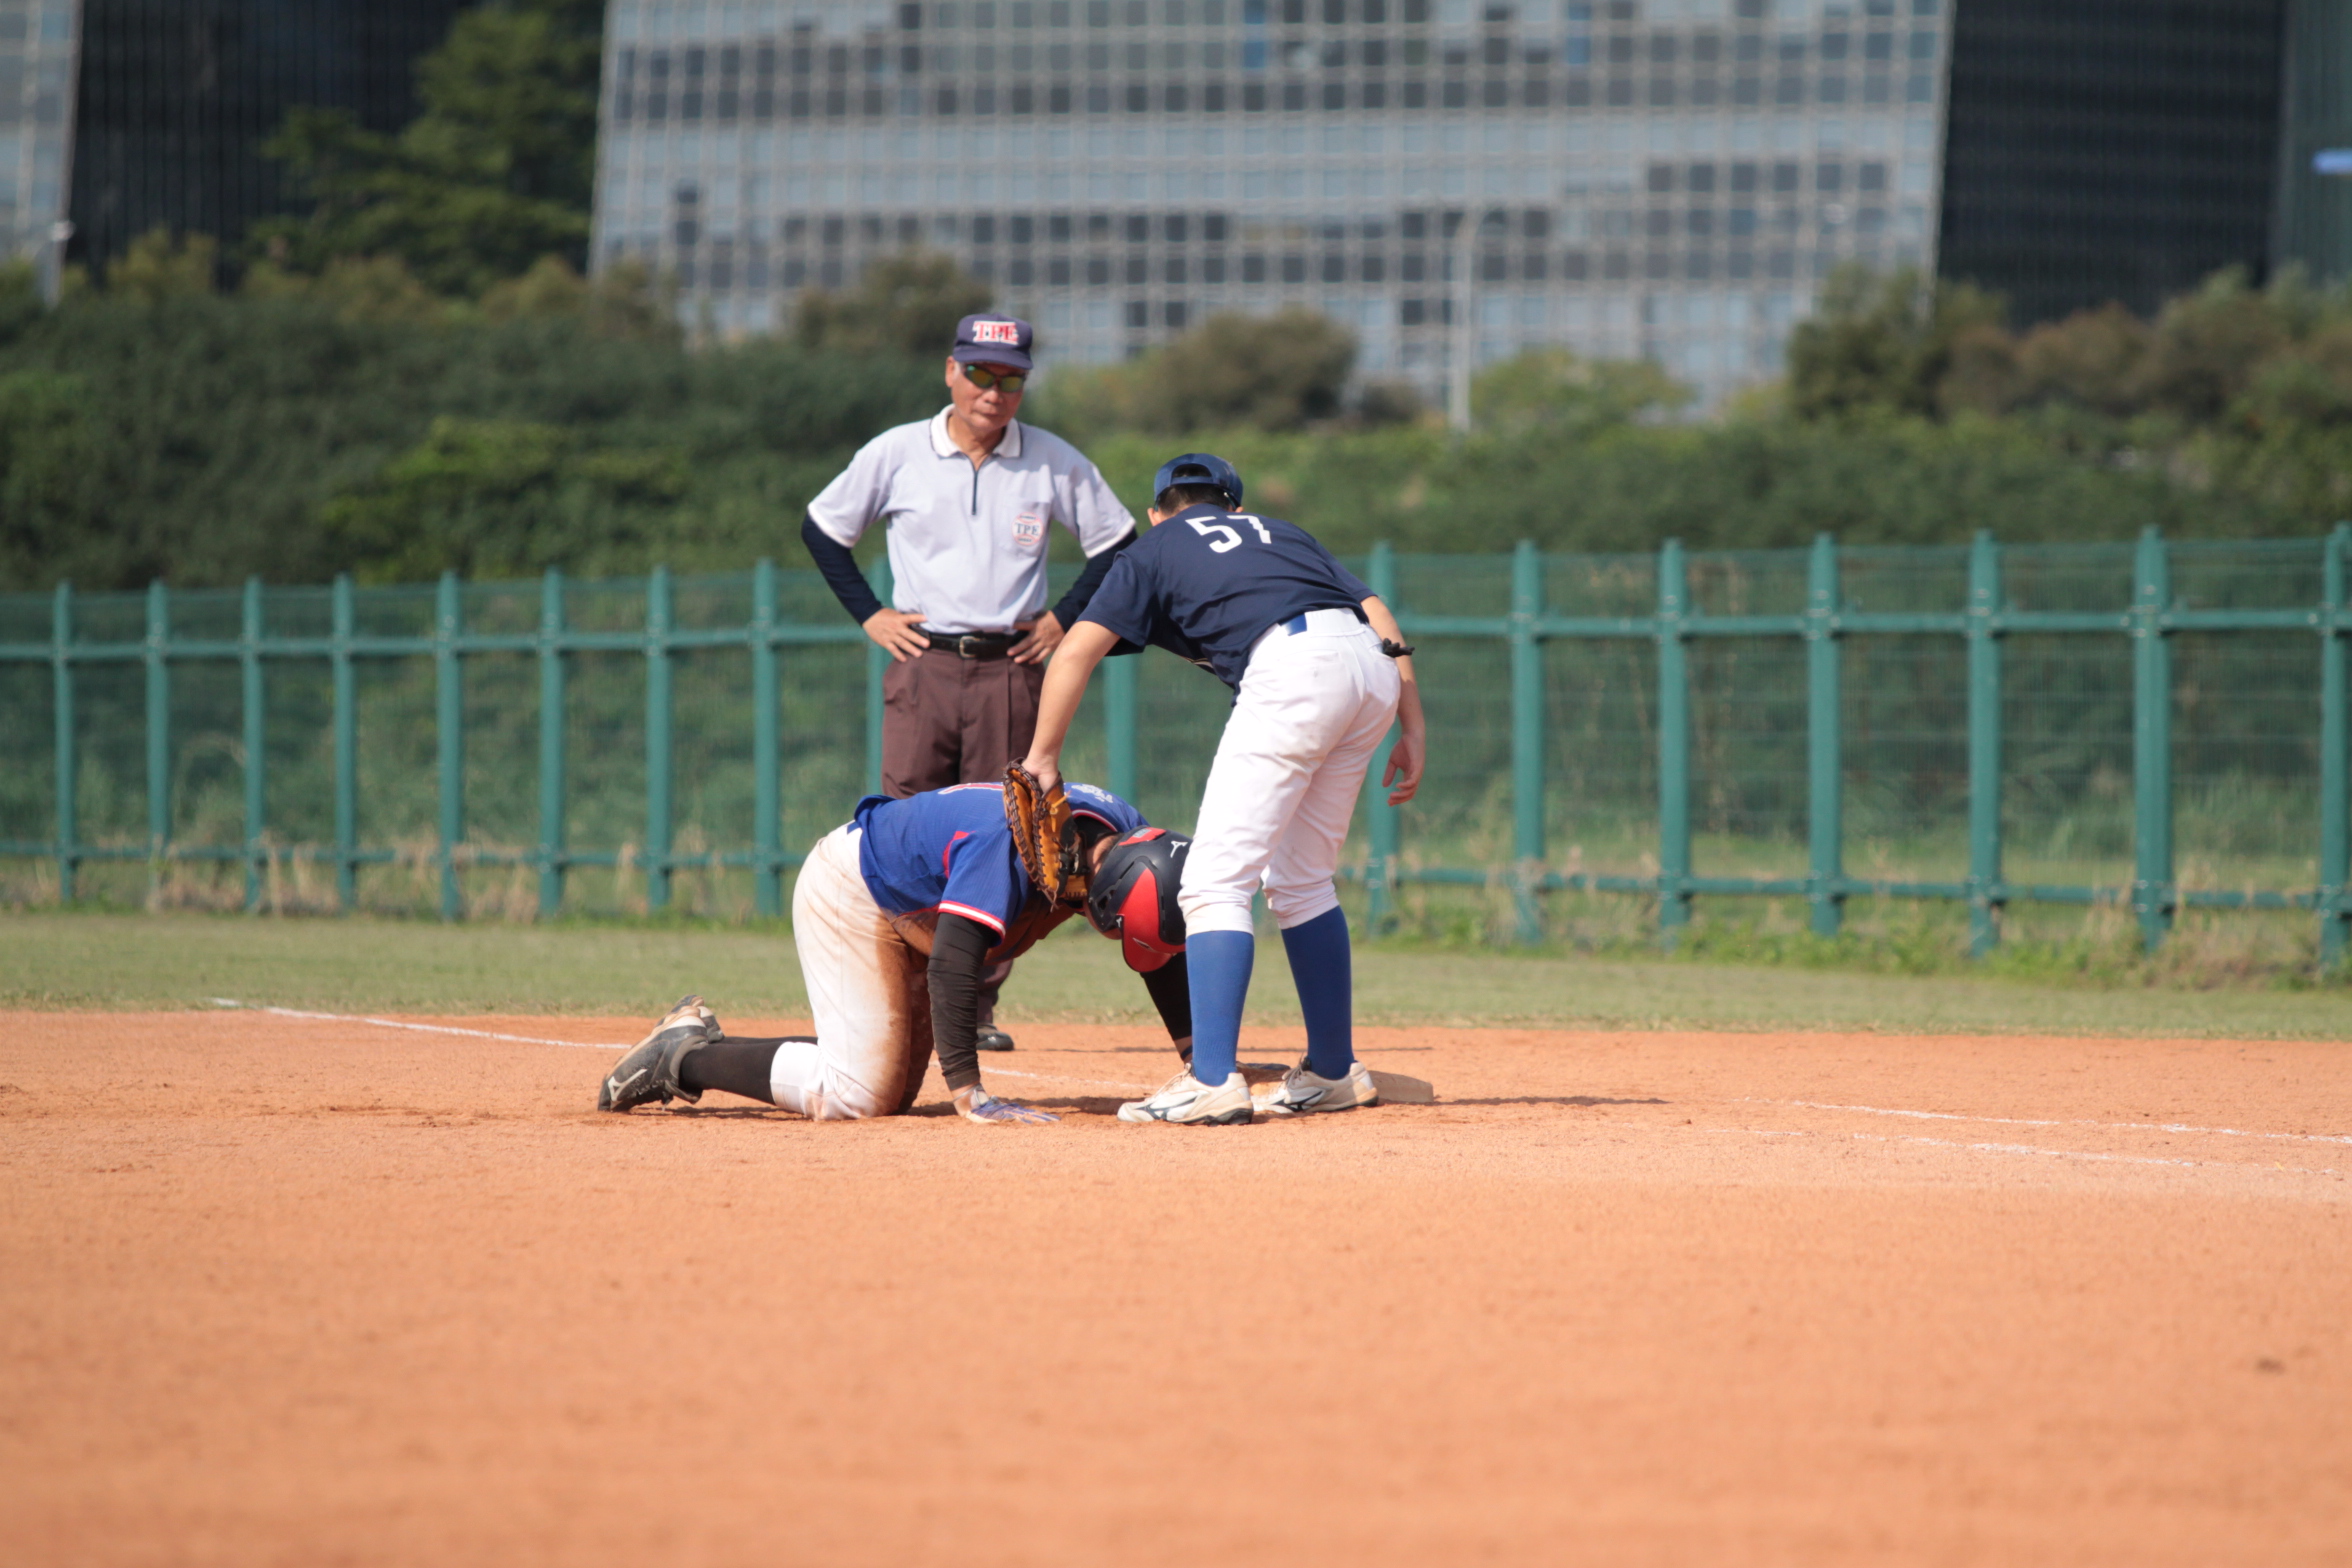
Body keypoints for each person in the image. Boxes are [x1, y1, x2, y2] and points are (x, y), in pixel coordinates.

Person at [1016, 453, 1426, 1126]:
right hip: (1367, 673)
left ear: (1157, 513)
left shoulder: (1152, 548)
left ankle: (1211, 1080)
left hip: (1295, 668)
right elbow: (1374, 609)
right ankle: (1333, 1071)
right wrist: (1412, 722)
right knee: (1303, 881)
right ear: (1234, 506)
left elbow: (1075, 651)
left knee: (1212, 883)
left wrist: (1042, 757)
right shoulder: (1281, 533)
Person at [800, 312, 1137, 1053]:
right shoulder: (897, 452)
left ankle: (976, 1006)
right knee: (903, 821)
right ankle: (902, 992)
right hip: (923, 662)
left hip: (1011, 668)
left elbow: (1117, 541)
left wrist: (1064, 618)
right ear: (951, 372)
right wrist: (870, 614)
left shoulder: (1051, 461)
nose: (994, 391)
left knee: (1012, 830)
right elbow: (823, 528)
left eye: (1011, 378)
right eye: (980, 373)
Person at [595, 782, 1195, 1124]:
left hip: (917, 905)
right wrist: (971, 1094)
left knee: (892, 1088)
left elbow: (1162, 955)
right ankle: (684, 1058)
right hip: (855, 889)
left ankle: (696, 1042)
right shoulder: (1011, 845)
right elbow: (954, 963)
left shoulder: (1126, 841)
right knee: (858, 1094)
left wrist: (1202, 1063)